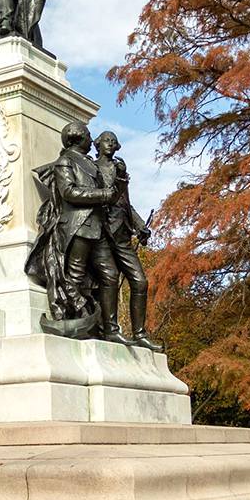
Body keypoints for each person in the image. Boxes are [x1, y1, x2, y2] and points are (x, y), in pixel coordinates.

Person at [26, 121, 118, 339]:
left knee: (110, 275)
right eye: (87, 134)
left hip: (98, 226)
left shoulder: (90, 163)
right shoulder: (65, 162)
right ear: (77, 138)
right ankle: (73, 320)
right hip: (79, 226)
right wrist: (103, 195)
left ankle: (110, 328)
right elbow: (68, 192)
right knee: (75, 275)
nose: (90, 138)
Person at [93, 130, 159, 349]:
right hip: (103, 231)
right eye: (106, 141)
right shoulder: (92, 168)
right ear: (98, 144)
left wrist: (140, 226)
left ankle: (140, 334)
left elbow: (125, 203)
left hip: (123, 233)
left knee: (140, 281)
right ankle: (110, 330)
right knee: (109, 279)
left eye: (113, 142)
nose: (110, 145)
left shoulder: (119, 168)